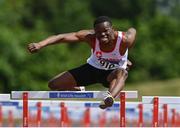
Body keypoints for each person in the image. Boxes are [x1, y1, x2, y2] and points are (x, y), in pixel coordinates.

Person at [27, 16, 136, 109]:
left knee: (122, 72)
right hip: (92, 70)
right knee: (53, 84)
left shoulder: (125, 39)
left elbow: (133, 30)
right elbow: (62, 37)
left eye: (106, 31)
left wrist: (125, 58)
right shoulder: (90, 37)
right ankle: (78, 88)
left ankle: (110, 98)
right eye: (98, 32)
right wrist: (41, 44)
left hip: (111, 75)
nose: (102, 35)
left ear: (113, 29)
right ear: (94, 32)